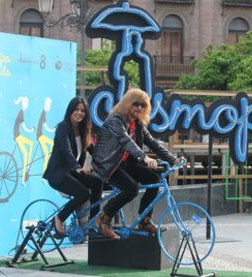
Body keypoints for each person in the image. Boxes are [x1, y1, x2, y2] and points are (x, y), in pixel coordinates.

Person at [91, 88, 182, 240]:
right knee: (131, 188)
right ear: (127, 104)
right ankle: (103, 219)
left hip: (125, 163)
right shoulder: (115, 121)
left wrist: (173, 159)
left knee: (156, 180)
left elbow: (152, 143)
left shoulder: (137, 124)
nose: (139, 108)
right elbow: (126, 141)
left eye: (143, 105)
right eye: (136, 104)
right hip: (107, 164)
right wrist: (144, 158)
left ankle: (144, 220)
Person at [43, 96, 102, 238]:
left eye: (83, 111)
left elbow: (94, 151)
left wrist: (108, 162)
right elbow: (66, 151)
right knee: (83, 194)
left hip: (71, 172)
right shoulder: (63, 128)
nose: (79, 113)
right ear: (70, 110)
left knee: (97, 182)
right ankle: (60, 218)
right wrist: (77, 168)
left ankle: (93, 221)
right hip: (58, 173)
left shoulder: (83, 130)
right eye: (76, 109)